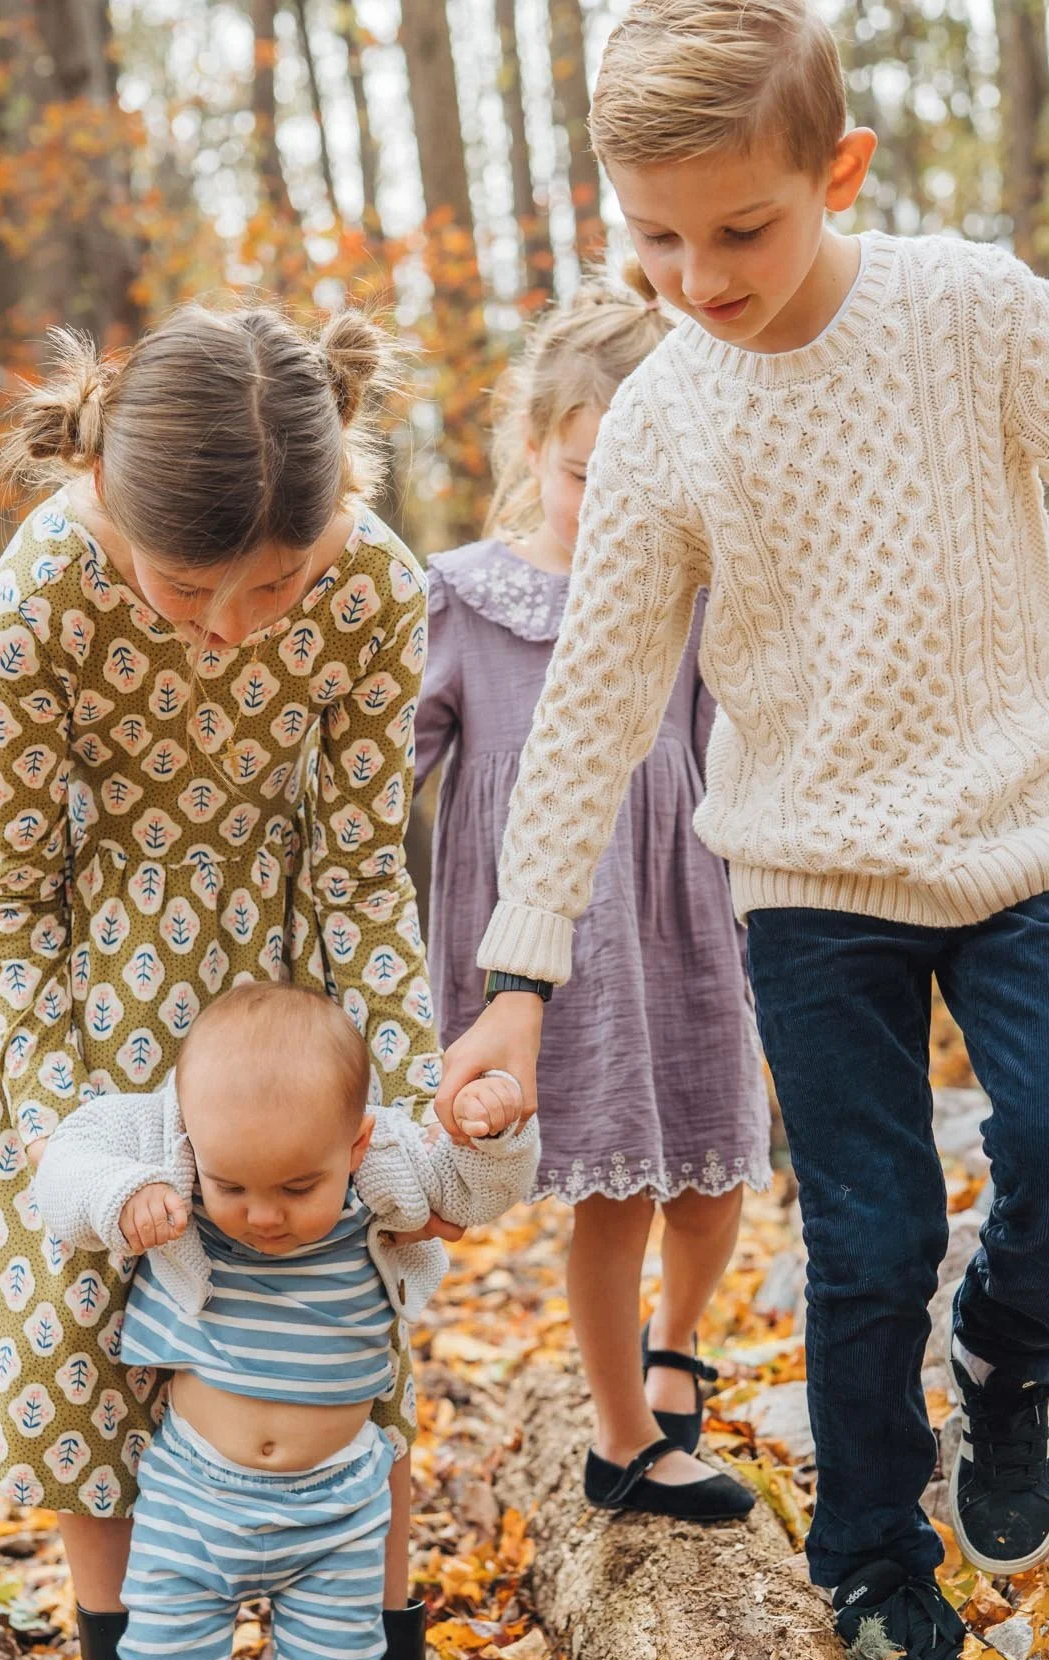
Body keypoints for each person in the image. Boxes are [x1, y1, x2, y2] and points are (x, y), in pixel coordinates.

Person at [437, 0, 1049, 1660]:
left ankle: (1009, 1355)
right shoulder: (666, 418)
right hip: (809, 877)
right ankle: (877, 1554)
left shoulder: (965, 312)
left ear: (841, 169)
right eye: (657, 239)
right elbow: (592, 713)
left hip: (1027, 829)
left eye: (741, 227)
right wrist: (518, 975)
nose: (700, 275)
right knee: (870, 1238)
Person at [0, 297, 481, 1660]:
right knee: (96, 1344)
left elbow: (368, 858)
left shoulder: (373, 584)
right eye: (191, 591)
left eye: (272, 587)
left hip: (282, 987)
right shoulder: (43, 585)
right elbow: (12, 887)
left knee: (338, 1314)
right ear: (117, 508)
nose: (232, 625)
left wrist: (402, 1102)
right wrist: (67, 1136)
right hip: (77, 989)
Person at [27, 983, 537, 1660]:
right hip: (193, 1496)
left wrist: (491, 1131)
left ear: (356, 1142)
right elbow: (62, 1162)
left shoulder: (380, 1179)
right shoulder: (170, 1153)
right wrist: (123, 1195)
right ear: (193, 1143)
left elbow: (477, 1187)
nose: (263, 1215)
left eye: (298, 1187)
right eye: (235, 1187)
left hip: (337, 1505)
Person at [416, 276, 769, 1523]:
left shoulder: (699, 591)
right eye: (583, 476)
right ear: (535, 447)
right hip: (561, 939)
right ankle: (624, 1439)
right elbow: (384, 767)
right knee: (617, 1190)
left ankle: (678, 1344)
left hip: (685, 915)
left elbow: (733, 746)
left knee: (716, 1172)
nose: (610, 509)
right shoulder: (462, 601)